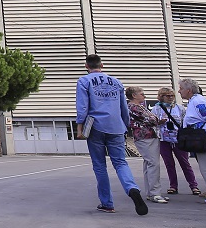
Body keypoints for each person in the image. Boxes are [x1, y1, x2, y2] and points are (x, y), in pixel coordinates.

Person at [76, 55, 148, 215]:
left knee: (100, 165)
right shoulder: (116, 82)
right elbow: (123, 106)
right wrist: (125, 124)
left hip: (96, 126)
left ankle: (107, 203)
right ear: (102, 65)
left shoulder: (84, 81)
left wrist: (80, 127)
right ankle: (132, 188)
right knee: (120, 162)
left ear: (86, 66)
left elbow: (82, 106)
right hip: (116, 126)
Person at [153, 86, 199, 196]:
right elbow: (152, 123)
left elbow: (186, 121)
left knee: (185, 163)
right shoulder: (156, 109)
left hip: (179, 139)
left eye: (172, 95)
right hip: (164, 140)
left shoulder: (179, 108)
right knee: (169, 164)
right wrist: (159, 122)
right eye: (167, 96)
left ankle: (194, 186)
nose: (170, 98)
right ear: (161, 97)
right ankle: (173, 186)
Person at [126, 86, 167, 204]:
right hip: (145, 137)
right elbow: (151, 120)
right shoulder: (133, 107)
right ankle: (155, 193)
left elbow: (152, 119)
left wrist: (155, 119)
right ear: (134, 95)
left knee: (149, 163)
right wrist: (156, 119)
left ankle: (151, 192)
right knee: (153, 164)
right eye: (142, 94)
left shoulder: (139, 107)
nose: (144, 96)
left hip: (148, 136)